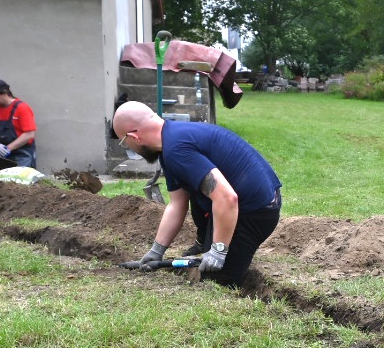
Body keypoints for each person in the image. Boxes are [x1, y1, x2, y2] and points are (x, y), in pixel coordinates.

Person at [112, 101, 282, 286]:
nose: (128, 147)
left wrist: (218, 251)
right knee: (194, 189)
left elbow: (227, 197)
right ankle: (209, 245)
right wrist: (156, 251)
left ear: (134, 136)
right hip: (243, 204)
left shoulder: (176, 150)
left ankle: (225, 253)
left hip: (255, 211)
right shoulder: (170, 143)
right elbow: (177, 204)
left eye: (124, 142)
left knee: (217, 281)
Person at [0, 79, 37, 167]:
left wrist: (8, 148)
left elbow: (29, 134)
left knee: (21, 179)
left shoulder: (22, 108)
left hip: (23, 155)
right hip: (4, 156)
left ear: (4, 93)